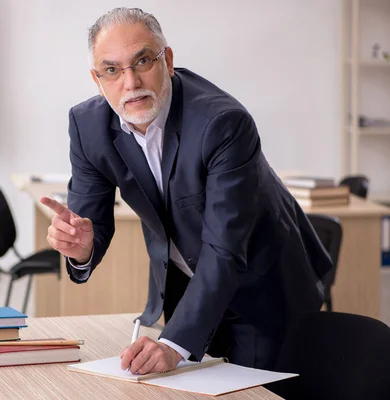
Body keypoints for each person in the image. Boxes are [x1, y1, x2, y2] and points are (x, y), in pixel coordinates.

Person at [40, 7, 332, 374]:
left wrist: (173, 345)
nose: (130, 83)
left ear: (168, 60)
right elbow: (87, 222)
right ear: (97, 80)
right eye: (112, 70)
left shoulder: (223, 124)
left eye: (143, 60)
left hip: (263, 289)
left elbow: (224, 248)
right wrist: (82, 249)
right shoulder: (88, 126)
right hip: (188, 290)